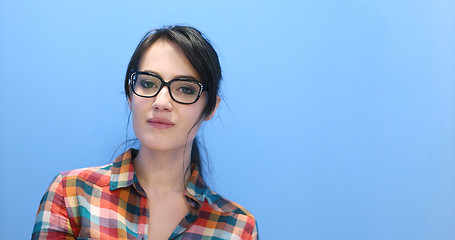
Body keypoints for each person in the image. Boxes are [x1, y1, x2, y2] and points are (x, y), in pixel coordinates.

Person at [32, 25, 258, 240]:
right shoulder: (71, 194)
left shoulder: (236, 228)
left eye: (186, 89)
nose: (161, 102)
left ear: (211, 108)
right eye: (148, 84)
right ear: (130, 95)